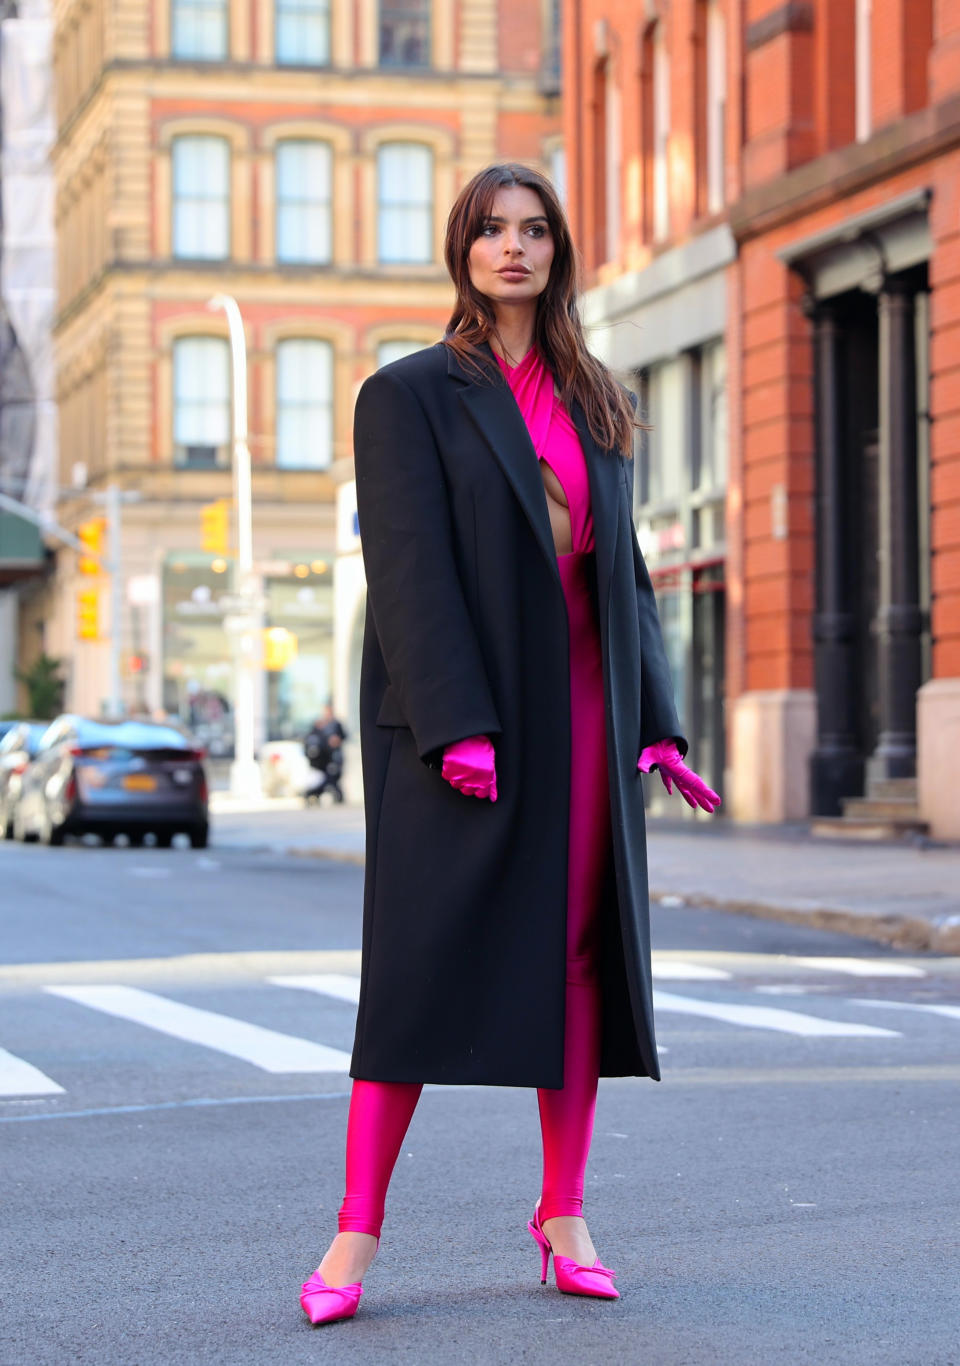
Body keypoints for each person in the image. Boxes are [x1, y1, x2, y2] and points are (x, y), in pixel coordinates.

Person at [298, 163, 720, 1326]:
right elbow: (410, 577)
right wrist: (459, 726)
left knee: (581, 962)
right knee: (417, 976)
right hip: (460, 732)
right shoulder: (409, 395)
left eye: (535, 231)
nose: (516, 249)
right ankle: (354, 1233)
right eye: (493, 231)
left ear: (559, 252)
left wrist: (660, 722)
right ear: (463, 249)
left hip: (586, 715)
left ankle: (564, 1211)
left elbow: (623, 578)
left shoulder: (600, 400)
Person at [303, 705, 347, 804]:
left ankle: (337, 796)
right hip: (323, 759)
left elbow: (344, 736)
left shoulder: (337, 724)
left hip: (335, 757)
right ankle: (314, 794)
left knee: (333, 778)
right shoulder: (320, 726)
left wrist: (337, 740)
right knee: (325, 779)